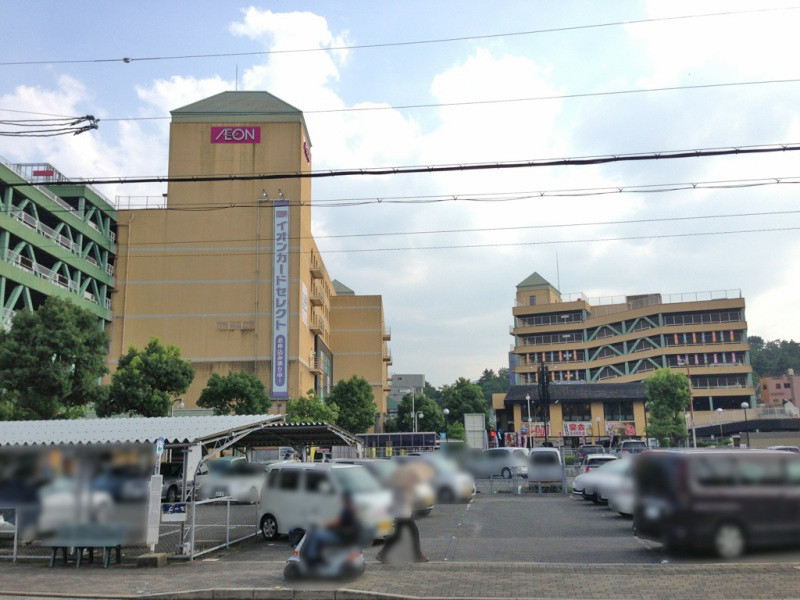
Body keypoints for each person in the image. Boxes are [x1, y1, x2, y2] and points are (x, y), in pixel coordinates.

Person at [376, 461, 430, 564]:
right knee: (413, 532)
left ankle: (383, 554)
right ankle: (417, 555)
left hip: (400, 513)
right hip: (399, 513)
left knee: (396, 535)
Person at [303, 490, 359, 565]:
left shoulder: (347, 509)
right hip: (348, 535)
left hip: (342, 537)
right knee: (321, 534)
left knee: (316, 535)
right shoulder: (353, 508)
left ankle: (311, 559)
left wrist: (322, 522)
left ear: (345, 498)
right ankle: (321, 557)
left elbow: (338, 522)